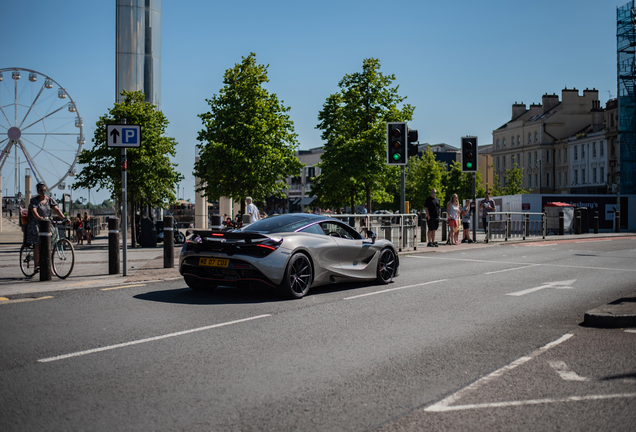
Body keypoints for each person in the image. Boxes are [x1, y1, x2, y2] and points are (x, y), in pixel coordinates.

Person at [27, 182, 69, 271]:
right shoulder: (34, 200)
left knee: (51, 244)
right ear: (38, 191)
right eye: (41, 190)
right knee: (38, 244)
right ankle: (36, 265)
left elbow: (56, 209)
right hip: (36, 223)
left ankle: (49, 266)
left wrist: (64, 218)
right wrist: (39, 217)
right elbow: (34, 210)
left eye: (45, 190)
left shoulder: (49, 200)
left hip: (47, 223)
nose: (43, 192)